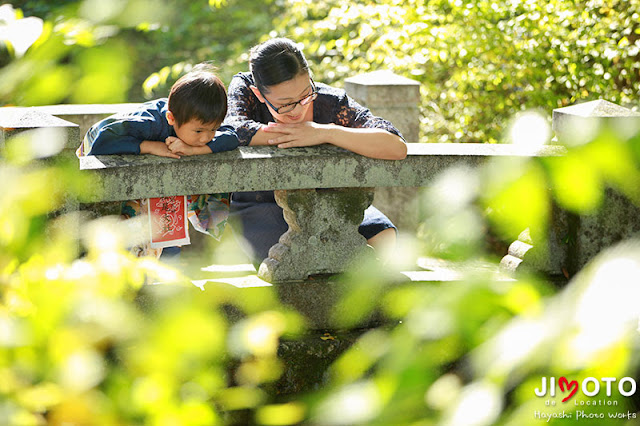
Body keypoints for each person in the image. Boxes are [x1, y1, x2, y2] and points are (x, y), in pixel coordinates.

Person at [223, 37, 407, 265]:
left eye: (304, 95)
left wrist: (324, 133)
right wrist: (297, 133)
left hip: (327, 196)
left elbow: (395, 146)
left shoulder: (329, 100)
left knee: (382, 234)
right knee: (299, 262)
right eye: (286, 104)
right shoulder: (246, 90)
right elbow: (233, 129)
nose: (299, 109)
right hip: (261, 201)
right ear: (260, 95)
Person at [78, 63, 239, 258]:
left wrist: (193, 149)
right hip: (112, 157)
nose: (206, 137)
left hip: (161, 192)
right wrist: (150, 146)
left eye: (213, 129)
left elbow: (232, 136)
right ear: (171, 118)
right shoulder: (149, 123)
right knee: (127, 234)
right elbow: (103, 140)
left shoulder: (196, 121)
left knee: (166, 225)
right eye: (199, 131)